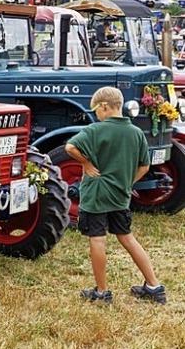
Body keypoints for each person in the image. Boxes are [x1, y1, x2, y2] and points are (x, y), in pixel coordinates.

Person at [64, 86, 166, 304]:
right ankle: (154, 286)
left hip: (96, 195)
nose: (96, 115)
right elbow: (145, 166)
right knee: (127, 237)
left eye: (96, 111)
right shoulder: (136, 132)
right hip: (121, 195)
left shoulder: (95, 130)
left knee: (97, 239)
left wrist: (87, 163)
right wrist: (128, 182)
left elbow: (70, 147)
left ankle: (102, 292)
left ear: (103, 107)